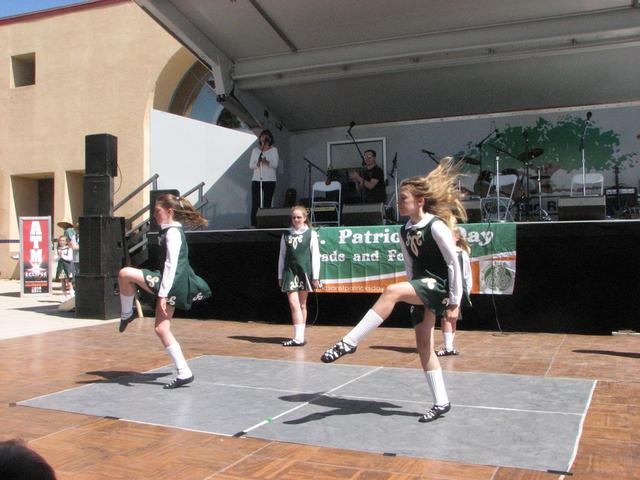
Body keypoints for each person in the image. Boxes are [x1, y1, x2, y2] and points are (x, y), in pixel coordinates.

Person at [321, 157, 465, 423]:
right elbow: (410, 265)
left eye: (404, 198)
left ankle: (349, 342)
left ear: (420, 201)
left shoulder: (436, 226)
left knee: (391, 292)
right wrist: (412, 289)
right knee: (424, 347)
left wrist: (454, 302)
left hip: (438, 285)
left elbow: (453, 263)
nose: (399, 203)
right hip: (420, 285)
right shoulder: (404, 229)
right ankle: (442, 402)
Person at [117, 193, 212, 389]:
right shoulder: (169, 231)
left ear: (169, 211)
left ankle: (127, 313)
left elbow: (172, 265)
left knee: (125, 273)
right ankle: (184, 371)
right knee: (161, 328)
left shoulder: (173, 233)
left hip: (171, 284)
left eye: (157, 211)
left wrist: (163, 294)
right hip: (168, 282)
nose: (154, 215)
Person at [278, 206, 321, 346]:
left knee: (302, 304)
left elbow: (315, 256)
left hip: (304, 272)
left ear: (304, 218)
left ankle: (300, 337)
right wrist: (280, 275)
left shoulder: (310, 234)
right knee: (293, 303)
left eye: (299, 217)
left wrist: (316, 276)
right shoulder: (286, 234)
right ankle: (298, 337)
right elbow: (282, 256)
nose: (296, 220)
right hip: (290, 272)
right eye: (294, 217)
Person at [435, 226, 472, 356]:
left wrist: (466, 291)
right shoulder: (443, 252)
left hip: (454, 289)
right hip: (445, 288)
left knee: (449, 318)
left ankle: (449, 347)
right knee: (449, 318)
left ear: (456, 238)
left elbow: (467, 274)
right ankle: (449, 346)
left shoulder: (462, 254)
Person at [250, 129, 279, 227]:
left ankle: (266, 224)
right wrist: (258, 163)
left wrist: (267, 162)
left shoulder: (274, 150)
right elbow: (251, 165)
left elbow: (275, 165)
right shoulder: (255, 150)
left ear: (270, 139)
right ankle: (254, 224)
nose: (264, 139)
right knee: (256, 202)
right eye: (263, 136)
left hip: (270, 180)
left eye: (267, 137)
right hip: (257, 179)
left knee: (267, 202)